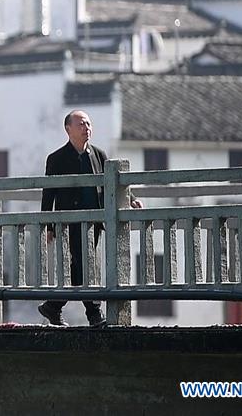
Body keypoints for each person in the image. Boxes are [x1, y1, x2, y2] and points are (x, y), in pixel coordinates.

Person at [38, 110, 143, 327]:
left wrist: (131, 198)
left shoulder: (98, 154)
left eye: (88, 124)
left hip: (95, 221)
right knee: (86, 265)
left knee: (80, 267)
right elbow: (48, 193)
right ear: (68, 129)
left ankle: (53, 305)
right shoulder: (56, 158)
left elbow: (114, 182)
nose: (87, 128)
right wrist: (48, 225)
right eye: (81, 124)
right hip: (70, 221)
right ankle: (94, 313)